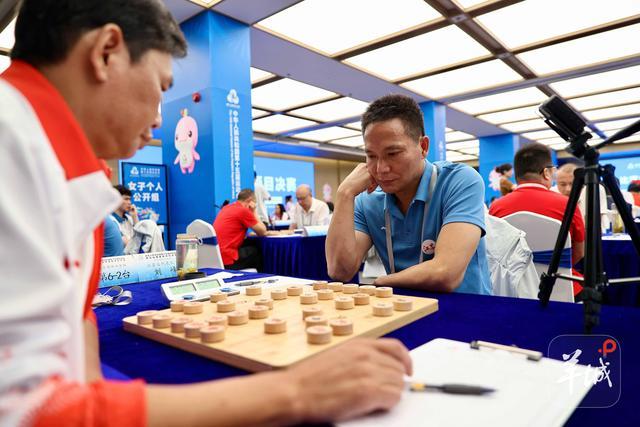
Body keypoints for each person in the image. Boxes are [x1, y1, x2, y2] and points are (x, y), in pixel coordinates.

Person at [0, 1, 411, 425]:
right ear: (107, 52)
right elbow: (29, 410)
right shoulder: (13, 147)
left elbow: (75, 345)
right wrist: (296, 392)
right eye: (160, 87)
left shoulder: (54, 161)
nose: (158, 120)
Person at [326, 94, 492, 295]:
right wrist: (344, 194)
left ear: (423, 147)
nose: (381, 169)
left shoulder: (459, 181)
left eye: (393, 153)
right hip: (400, 307)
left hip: (466, 307)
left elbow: (446, 273)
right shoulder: (367, 200)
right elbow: (340, 271)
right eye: (371, 156)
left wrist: (380, 283)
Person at [489, 143, 585, 265]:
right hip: (559, 276)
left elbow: (493, 251)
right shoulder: (568, 205)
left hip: (510, 276)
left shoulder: (496, 207)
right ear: (546, 173)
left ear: (517, 174)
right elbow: (579, 253)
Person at [213, 188, 273, 270]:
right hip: (228, 259)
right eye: (255, 203)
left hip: (217, 257)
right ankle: (263, 277)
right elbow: (262, 231)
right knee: (257, 251)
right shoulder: (243, 210)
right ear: (250, 201)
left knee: (249, 244)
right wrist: (254, 211)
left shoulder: (226, 208)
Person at [555, 162, 609, 231]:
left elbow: (601, 223)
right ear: (557, 183)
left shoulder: (595, 190)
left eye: (572, 184)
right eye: (563, 184)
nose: (568, 189)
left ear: (582, 182)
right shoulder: (552, 194)